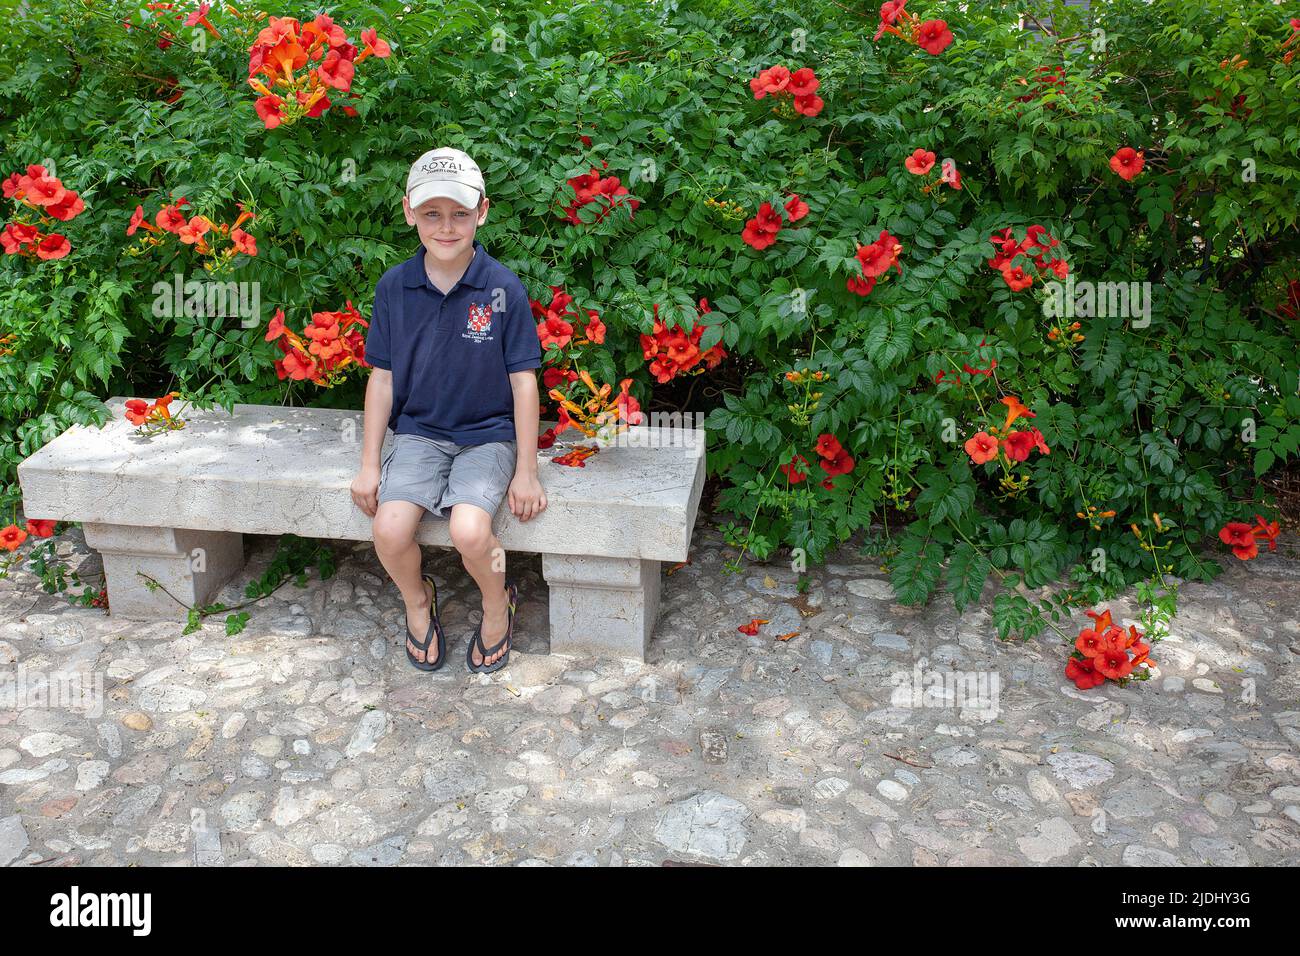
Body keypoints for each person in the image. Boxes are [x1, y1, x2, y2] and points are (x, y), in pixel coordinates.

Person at [350, 146, 545, 674]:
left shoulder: (501, 287)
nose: (446, 226)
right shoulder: (396, 287)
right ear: (409, 211)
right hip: (419, 433)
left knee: (470, 532)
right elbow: (383, 377)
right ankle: (418, 599)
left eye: (460, 213)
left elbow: (523, 382)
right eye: (432, 213)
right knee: (389, 530)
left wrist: (526, 472)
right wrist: (370, 464)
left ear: (482, 211)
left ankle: (494, 604)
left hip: (487, 435)